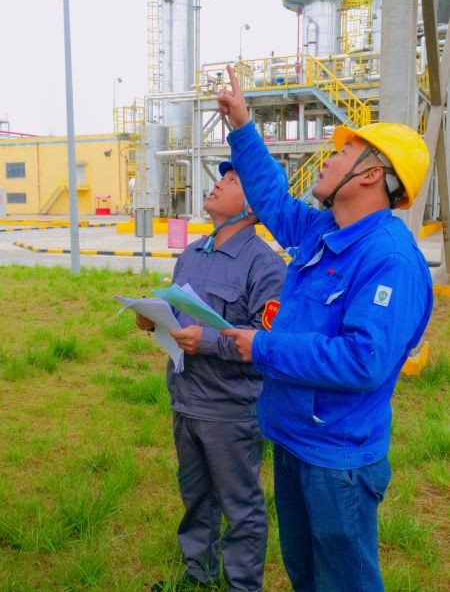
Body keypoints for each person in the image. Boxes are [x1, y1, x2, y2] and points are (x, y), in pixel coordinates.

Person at [218, 65, 433, 591]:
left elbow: (362, 360)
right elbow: (272, 201)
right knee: (306, 575)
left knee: (344, 582)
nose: (327, 158)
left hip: (338, 459)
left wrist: (263, 348)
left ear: (370, 175)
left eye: (341, 152)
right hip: (294, 438)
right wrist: (243, 127)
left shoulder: (389, 260)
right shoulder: (324, 228)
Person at [136, 161, 287, 592]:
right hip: (185, 399)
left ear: (254, 205)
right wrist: (152, 319)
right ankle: (198, 576)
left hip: (229, 409)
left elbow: (267, 343)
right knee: (195, 496)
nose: (219, 183)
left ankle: (242, 585)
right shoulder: (192, 253)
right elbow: (177, 312)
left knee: (240, 506)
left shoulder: (265, 266)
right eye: (223, 177)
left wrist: (205, 341)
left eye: (233, 180)